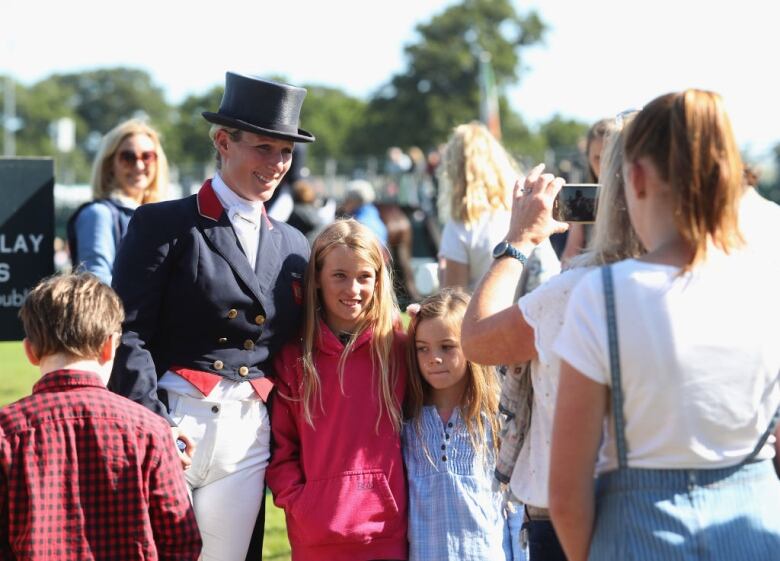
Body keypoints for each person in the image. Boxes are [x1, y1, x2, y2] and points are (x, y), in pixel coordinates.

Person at [549, 89, 780, 561]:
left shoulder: (602, 295)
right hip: (757, 524)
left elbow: (567, 492)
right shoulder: (766, 280)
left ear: (633, 177)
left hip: (638, 529)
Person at [108, 72, 314, 561]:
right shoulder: (164, 223)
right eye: (264, 148)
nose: (277, 163)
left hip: (248, 433)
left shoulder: (293, 242)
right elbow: (128, 332)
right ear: (224, 141)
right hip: (175, 419)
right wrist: (152, 423)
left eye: (285, 152)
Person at [461, 113, 643, 561]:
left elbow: (479, 338)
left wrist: (519, 238)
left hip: (569, 512)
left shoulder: (577, 293)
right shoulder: (709, 278)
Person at [0, 272, 201, 560]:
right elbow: (181, 541)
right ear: (110, 347)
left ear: (30, 352)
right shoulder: (150, 431)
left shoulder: (7, 433)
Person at [266, 219, 408, 561]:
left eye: (364, 277)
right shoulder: (293, 358)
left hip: (387, 534)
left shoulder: (399, 349)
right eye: (339, 276)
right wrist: (303, 505)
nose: (353, 289)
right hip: (315, 537)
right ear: (316, 279)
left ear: (378, 279)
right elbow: (280, 449)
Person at [404, 288, 520, 561]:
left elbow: (515, 510)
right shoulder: (406, 423)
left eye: (447, 346)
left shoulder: (496, 421)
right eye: (423, 348)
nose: (434, 358)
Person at [437, 121, 559, 292]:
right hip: (532, 313)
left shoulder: (461, 225)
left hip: (488, 316)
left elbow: (453, 303)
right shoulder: (524, 210)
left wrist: (442, 272)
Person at [70, 118, 169, 284]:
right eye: (127, 157)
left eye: (147, 156)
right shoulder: (98, 214)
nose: (138, 166)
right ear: (110, 164)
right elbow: (96, 286)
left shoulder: (164, 215)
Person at [559, 118, 610, 265]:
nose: (604, 165)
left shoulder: (638, 198)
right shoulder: (585, 198)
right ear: (588, 158)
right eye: (597, 158)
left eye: (609, 157)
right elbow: (569, 257)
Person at [340, 179, 389, 245]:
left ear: (355, 201)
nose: (344, 203)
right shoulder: (374, 212)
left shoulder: (358, 223)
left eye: (347, 200)